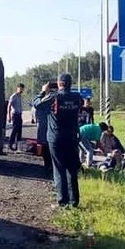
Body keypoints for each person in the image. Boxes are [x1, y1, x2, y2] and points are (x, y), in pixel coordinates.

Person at [42, 72, 84, 208]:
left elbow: (37, 104)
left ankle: (63, 201)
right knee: (72, 169)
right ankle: (74, 201)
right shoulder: (77, 97)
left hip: (56, 138)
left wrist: (43, 92)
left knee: (59, 169)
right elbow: (80, 106)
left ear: (59, 83)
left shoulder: (54, 97)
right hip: (72, 137)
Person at [31, 80, 57, 179]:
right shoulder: (60, 96)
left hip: (47, 130)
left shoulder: (51, 97)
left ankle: (50, 171)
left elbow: (36, 103)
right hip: (52, 130)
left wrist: (42, 92)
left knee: (47, 152)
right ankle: (50, 170)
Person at [7, 83, 25, 151]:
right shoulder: (13, 96)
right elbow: (9, 106)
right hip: (15, 114)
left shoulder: (20, 96)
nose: (21, 90)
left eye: (22, 89)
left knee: (19, 130)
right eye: (20, 88)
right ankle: (10, 144)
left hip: (19, 114)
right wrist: (9, 116)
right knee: (14, 130)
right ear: (17, 88)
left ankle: (18, 145)